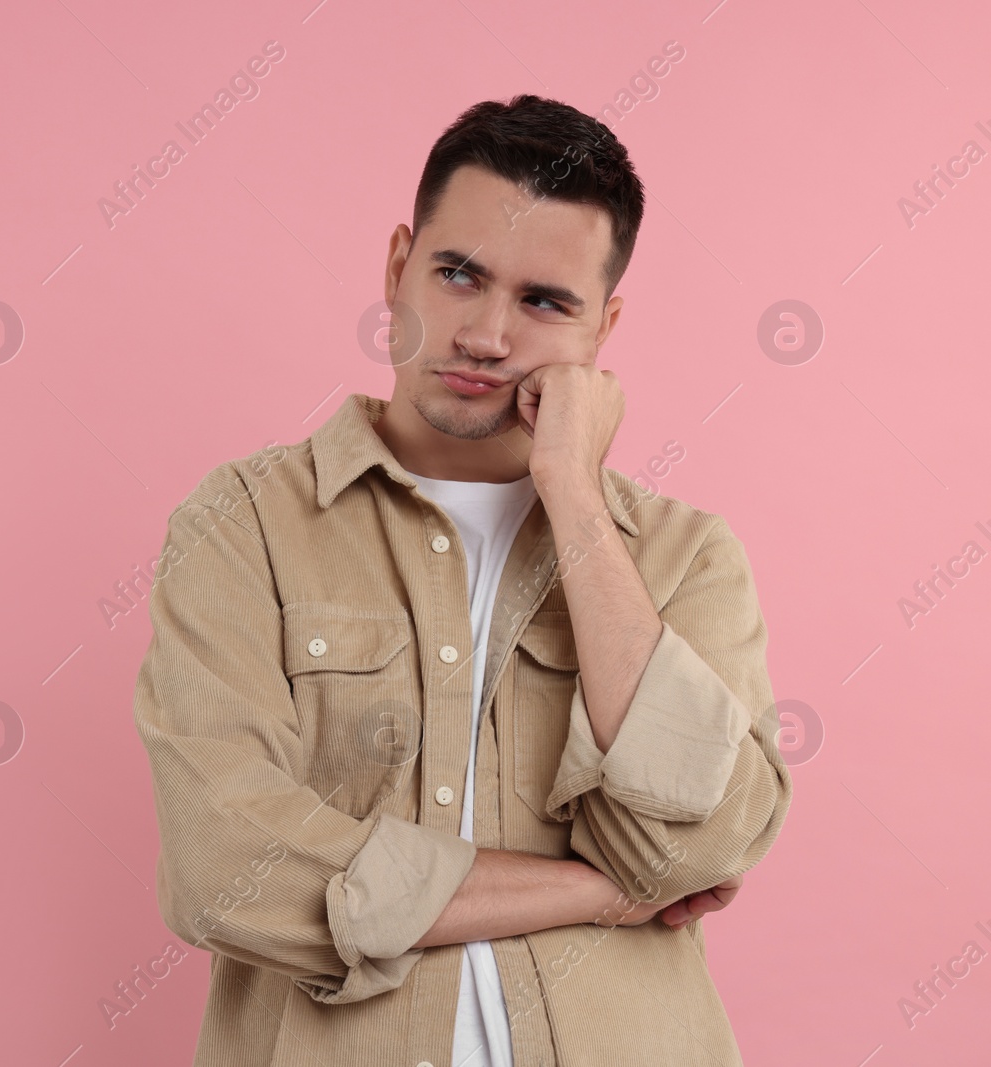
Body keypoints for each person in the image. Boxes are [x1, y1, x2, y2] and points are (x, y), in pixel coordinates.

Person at [132, 94, 793, 1067]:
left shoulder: (683, 556)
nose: (485, 334)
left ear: (602, 328)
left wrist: (572, 495)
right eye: (457, 275)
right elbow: (224, 872)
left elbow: (701, 844)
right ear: (398, 266)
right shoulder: (245, 525)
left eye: (542, 302)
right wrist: (599, 886)